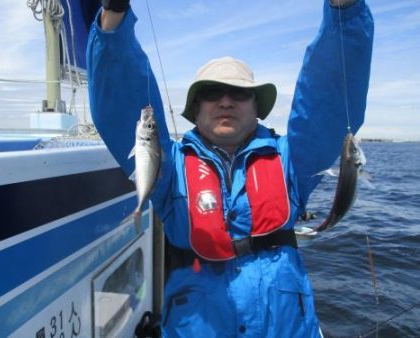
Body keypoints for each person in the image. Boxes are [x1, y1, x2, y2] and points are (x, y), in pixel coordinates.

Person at [87, 0, 374, 336]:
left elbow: (324, 101)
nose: (225, 101)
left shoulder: (291, 161)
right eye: (212, 93)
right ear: (196, 109)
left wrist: (345, 12)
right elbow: (123, 104)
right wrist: (114, 17)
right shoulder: (170, 168)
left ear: (256, 107)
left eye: (238, 93)